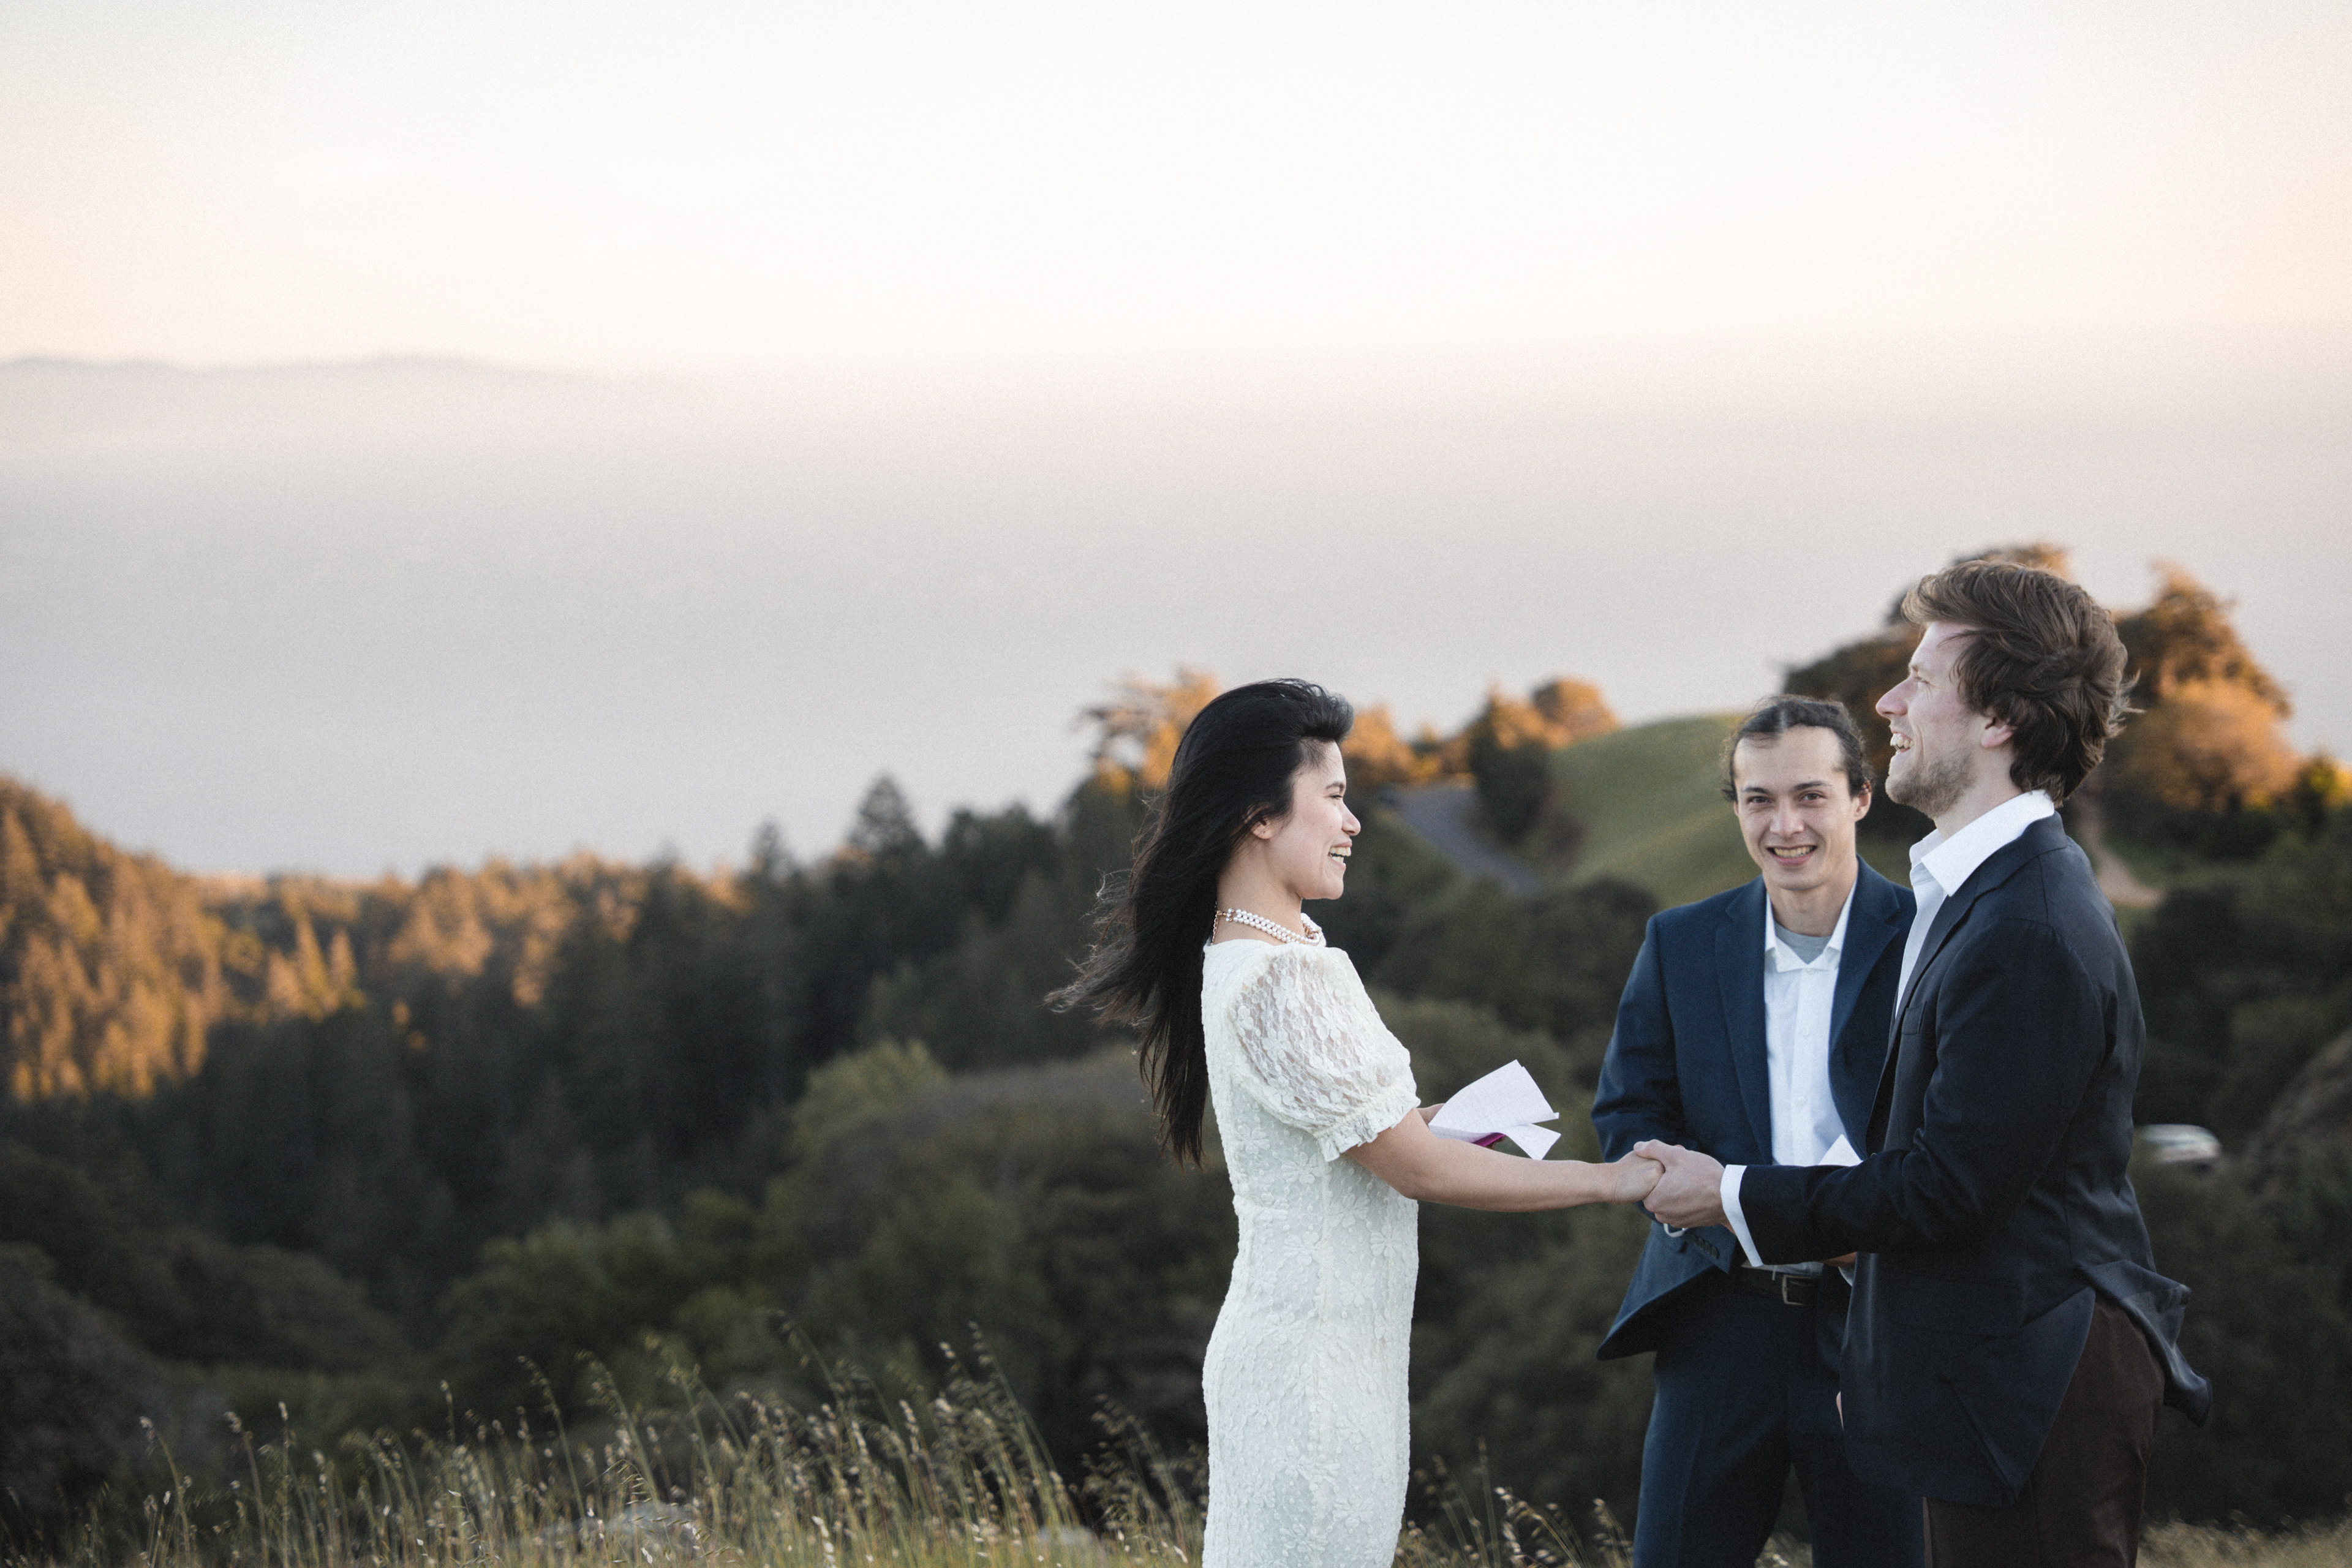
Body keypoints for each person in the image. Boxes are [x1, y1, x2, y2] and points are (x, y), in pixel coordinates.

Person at [1637, 561, 2211, 1568]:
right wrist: (1885, 1361)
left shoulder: (2027, 924)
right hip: (1982, 1372)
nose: (1889, 705)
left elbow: (1949, 1189)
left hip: (2030, 1381)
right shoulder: (1982, 894)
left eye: (1922, 680)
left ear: (1999, 719)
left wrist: (1727, 1192)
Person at [1053, 678, 1662, 1568]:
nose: (1353, 822)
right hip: (1311, 1377)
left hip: (1334, 1361)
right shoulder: (1276, 979)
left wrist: (1449, 1121)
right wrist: (1613, 1181)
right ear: (1260, 816)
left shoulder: (1277, 956)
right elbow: (1415, 1167)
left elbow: (1369, 1141)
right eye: (1333, 796)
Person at [1591, 696, 1923, 1568]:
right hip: (1719, 1319)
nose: (1785, 826)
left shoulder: (1932, 940)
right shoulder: (1679, 942)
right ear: (1736, 808)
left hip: (1881, 1321)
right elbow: (1628, 1113)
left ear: (1861, 797)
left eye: (1811, 796)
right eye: (1759, 800)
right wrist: (1680, 1194)